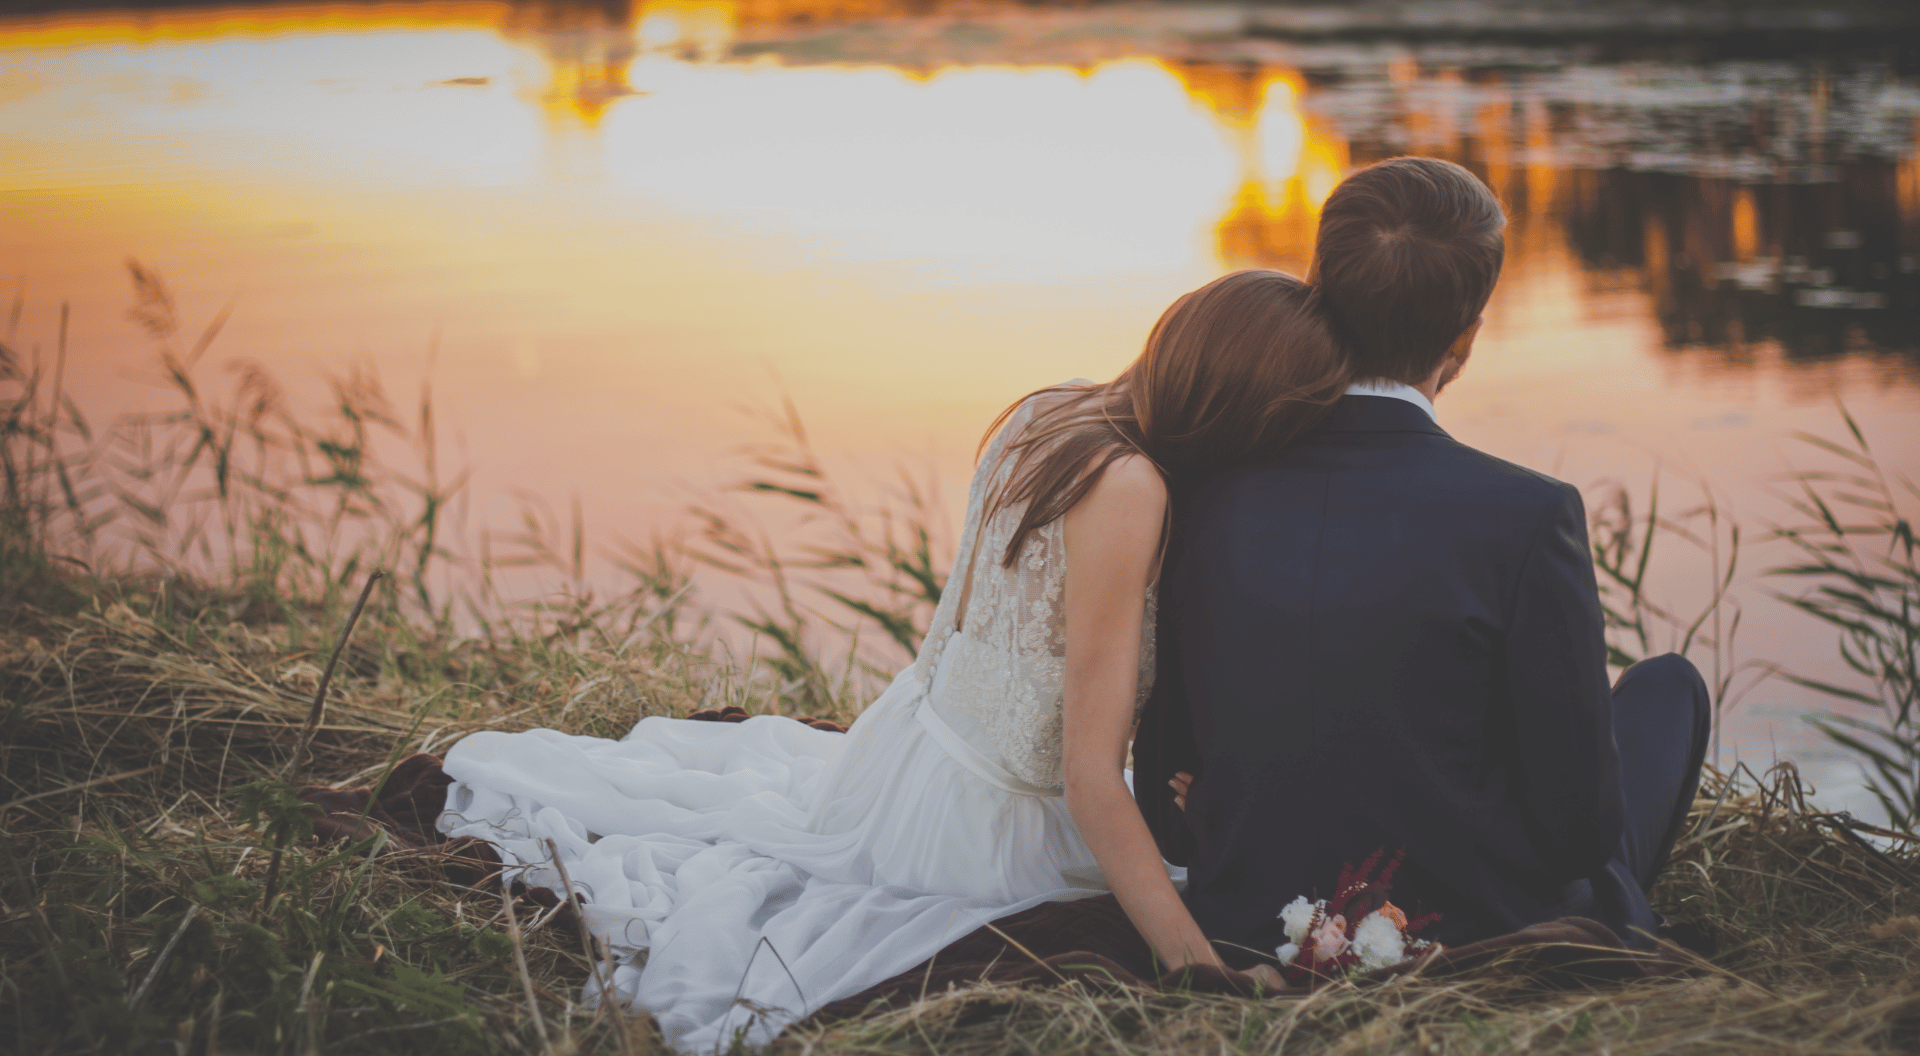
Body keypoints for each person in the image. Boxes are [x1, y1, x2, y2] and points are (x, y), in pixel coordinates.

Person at [436, 270, 1348, 1050]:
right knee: (1189, 906)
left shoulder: (1054, 409)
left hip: (905, 753)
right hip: (982, 828)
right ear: (1244, 412)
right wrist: (1196, 970)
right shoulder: (1131, 488)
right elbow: (1085, 774)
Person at [1134, 156, 1712, 960]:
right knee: (1668, 690)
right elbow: (1577, 835)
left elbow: (1164, 800)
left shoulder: (1201, 496)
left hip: (1251, 914)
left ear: (1318, 294)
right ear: (1467, 335)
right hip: (1466, 922)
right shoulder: (1530, 515)